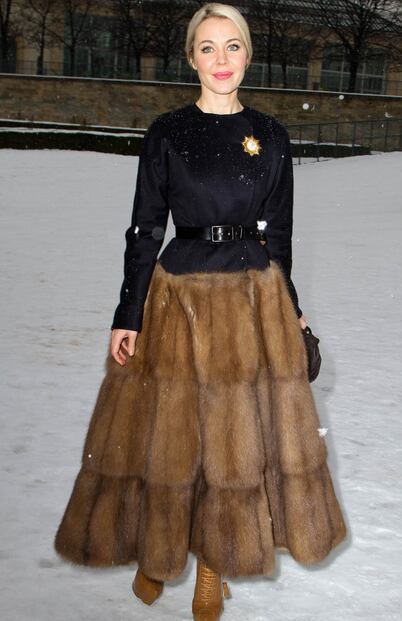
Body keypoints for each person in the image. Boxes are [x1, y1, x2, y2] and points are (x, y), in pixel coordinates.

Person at [53, 3, 347, 620]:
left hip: (249, 299)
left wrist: (291, 312)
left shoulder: (270, 134)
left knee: (233, 445)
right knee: (167, 437)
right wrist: (127, 313)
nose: (221, 60)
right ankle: (156, 551)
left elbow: (281, 236)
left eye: (232, 46)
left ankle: (214, 565)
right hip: (178, 295)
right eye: (208, 48)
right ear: (191, 58)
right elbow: (144, 229)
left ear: (248, 55)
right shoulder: (167, 131)